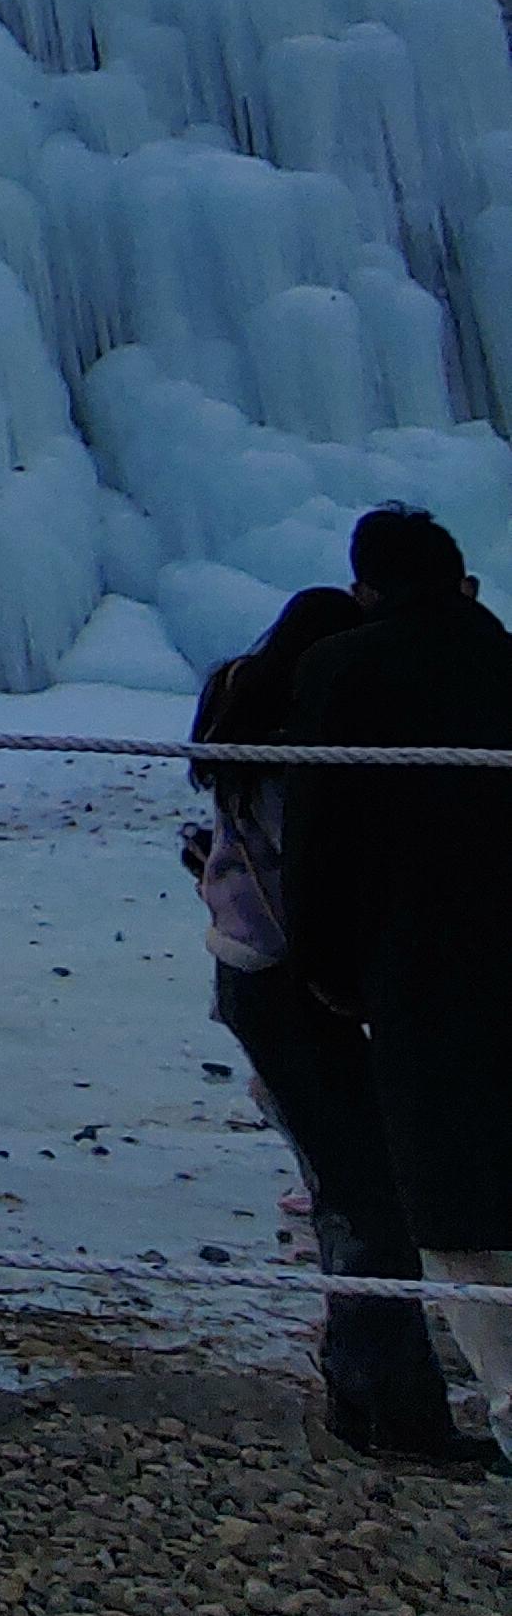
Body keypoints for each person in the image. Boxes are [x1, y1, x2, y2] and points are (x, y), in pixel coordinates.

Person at [191, 583, 489, 1469]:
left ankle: (369, 1404)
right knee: (367, 1198)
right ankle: (399, 1420)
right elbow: (318, 883)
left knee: (347, 1187)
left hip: (251, 977)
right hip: (289, 985)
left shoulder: (247, 733)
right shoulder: (299, 756)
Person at [285, 504, 512, 1462]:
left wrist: (330, 972)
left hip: (420, 974)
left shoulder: (342, 671)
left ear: (366, 589)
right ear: (463, 582)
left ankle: (508, 1403)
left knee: (457, 1204)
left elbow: (320, 847)